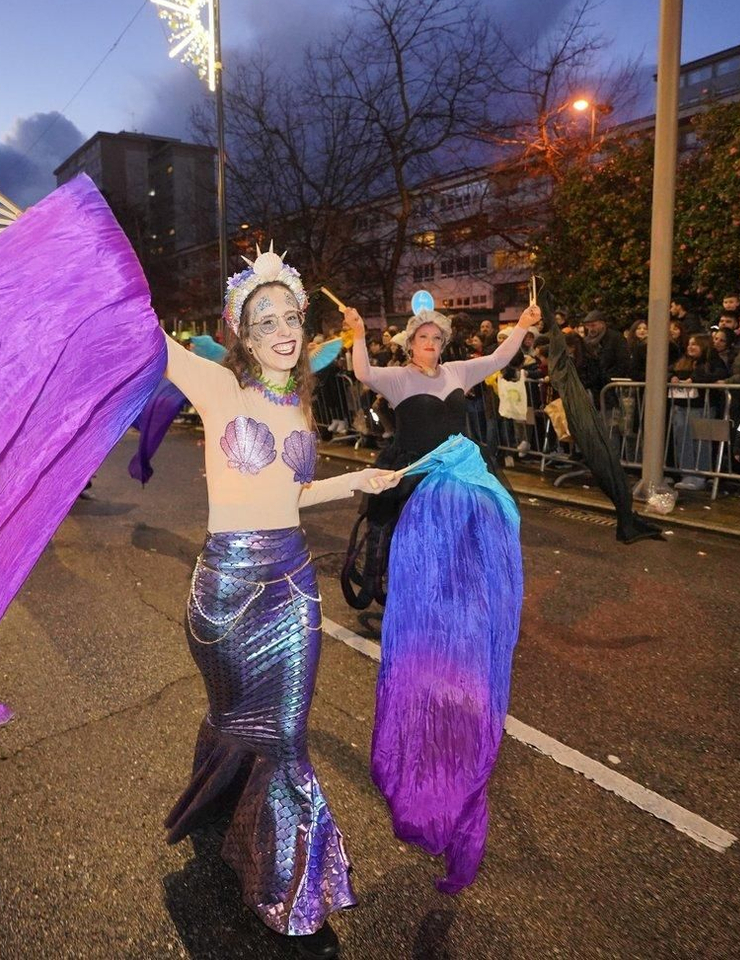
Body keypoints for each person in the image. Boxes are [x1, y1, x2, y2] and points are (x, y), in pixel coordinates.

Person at [161, 252, 398, 958]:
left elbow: (286, 496)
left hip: (292, 585)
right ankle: (220, 803)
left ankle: (288, 888)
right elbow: (142, 333)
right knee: (237, 721)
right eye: (266, 320)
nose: (285, 329)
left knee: (286, 738)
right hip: (228, 594)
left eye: (292, 316)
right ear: (240, 331)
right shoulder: (214, 385)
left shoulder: (295, 399)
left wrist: (361, 479)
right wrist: (83, 255)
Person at [340, 300, 541, 609]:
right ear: (411, 344)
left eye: (436, 338)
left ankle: (456, 598)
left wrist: (523, 324)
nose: (431, 343)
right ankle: (416, 602)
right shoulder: (398, 378)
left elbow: (500, 357)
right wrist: (358, 333)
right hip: (415, 471)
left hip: (459, 471)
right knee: (417, 542)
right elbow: (363, 372)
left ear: (444, 342)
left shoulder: (457, 372)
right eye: (423, 337)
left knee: (465, 536)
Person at [668, 333, 727, 492]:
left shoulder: (713, 362)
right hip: (681, 406)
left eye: (695, 344)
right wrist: (672, 377)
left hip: (703, 406)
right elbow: (668, 371)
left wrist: (695, 379)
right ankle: (686, 473)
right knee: (682, 439)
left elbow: (719, 376)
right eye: (689, 344)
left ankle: (701, 475)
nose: (690, 347)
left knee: (701, 440)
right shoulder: (683, 361)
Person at [581, 310, 631, 382]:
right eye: (588, 326)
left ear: (602, 324)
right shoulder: (586, 341)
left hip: (610, 382)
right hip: (593, 382)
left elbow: (623, 362)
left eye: (593, 325)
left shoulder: (616, 338)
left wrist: (608, 377)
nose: (591, 329)